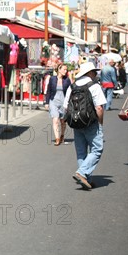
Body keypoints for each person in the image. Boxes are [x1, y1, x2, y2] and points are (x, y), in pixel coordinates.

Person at [62, 62, 106, 190]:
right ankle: (82, 173)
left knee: (81, 152)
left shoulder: (72, 86)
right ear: (89, 73)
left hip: (76, 123)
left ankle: (86, 179)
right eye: (94, 71)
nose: (95, 74)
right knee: (97, 149)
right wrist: (100, 122)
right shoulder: (94, 86)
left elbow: (66, 107)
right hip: (91, 123)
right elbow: (99, 107)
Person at [44, 63, 72, 146]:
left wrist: (69, 103)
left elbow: (70, 92)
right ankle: (57, 138)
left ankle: (62, 135)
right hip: (53, 101)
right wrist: (46, 102)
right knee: (55, 119)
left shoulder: (67, 80)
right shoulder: (52, 79)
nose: (65, 71)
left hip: (64, 102)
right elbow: (48, 91)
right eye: (64, 69)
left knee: (63, 121)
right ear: (59, 70)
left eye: (66, 70)